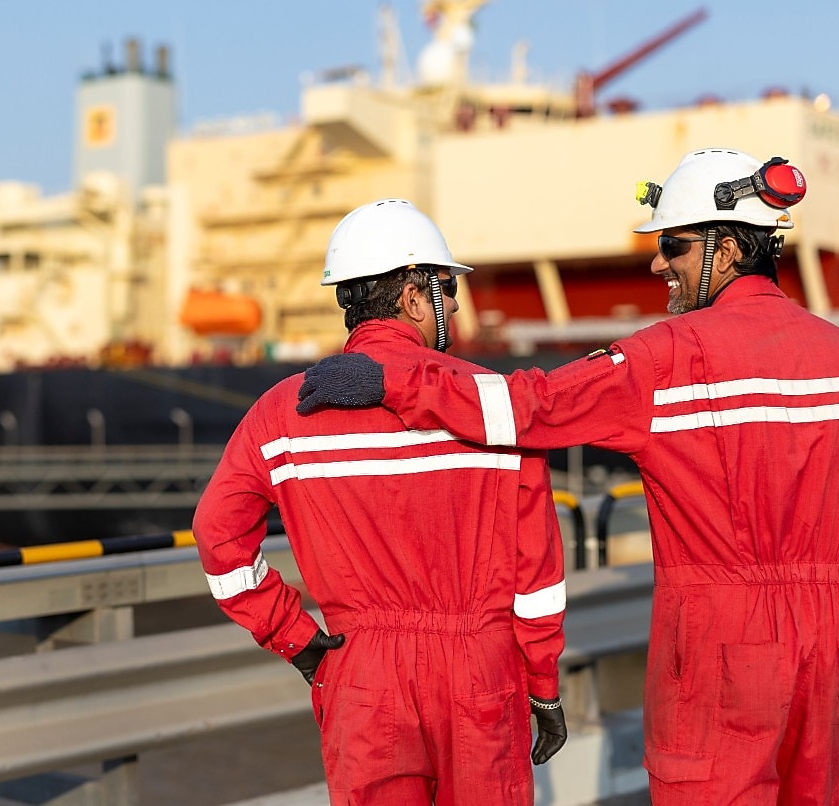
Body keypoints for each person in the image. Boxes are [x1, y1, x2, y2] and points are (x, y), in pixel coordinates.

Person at [295, 151, 839, 805]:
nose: (656, 261)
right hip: (831, 643)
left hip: (725, 645)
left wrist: (396, 378)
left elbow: (529, 406)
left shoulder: (666, 359)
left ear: (726, 251)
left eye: (673, 244)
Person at [192, 198, 569, 805]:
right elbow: (537, 578)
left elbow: (216, 535)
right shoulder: (489, 406)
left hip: (361, 674)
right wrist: (543, 683)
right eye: (444, 290)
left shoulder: (284, 411)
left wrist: (297, 638)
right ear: (415, 296)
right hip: (480, 670)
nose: (448, 305)